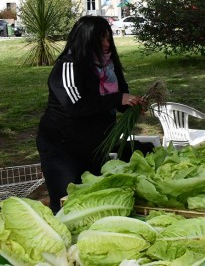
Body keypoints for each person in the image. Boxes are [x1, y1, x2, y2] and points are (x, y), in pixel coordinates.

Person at [36, 16, 147, 213]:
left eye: (108, 38)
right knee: (66, 204)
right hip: (62, 148)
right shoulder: (68, 66)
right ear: (85, 41)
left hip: (96, 146)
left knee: (92, 201)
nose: (106, 44)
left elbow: (118, 98)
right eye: (100, 40)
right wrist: (117, 99)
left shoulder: (109, 65)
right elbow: (76, 106)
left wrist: (132, 105)